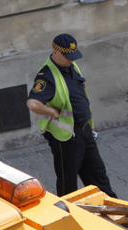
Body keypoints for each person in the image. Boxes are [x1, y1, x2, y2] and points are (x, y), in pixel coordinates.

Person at [26, 33, 118, 199]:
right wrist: (52, 112)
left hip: (84, 132)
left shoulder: (72, 67)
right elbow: (33, 103)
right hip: (66, 138)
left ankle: (113, 212)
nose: (72, 60)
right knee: (68, 185)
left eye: (73, 56)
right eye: (68, 56)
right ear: (55, 52)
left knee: (99, 177)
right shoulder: (46, 76)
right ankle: (68, 218)